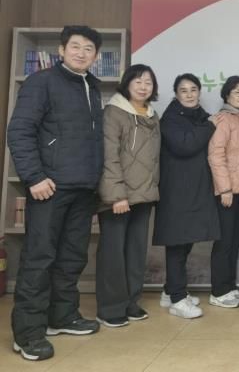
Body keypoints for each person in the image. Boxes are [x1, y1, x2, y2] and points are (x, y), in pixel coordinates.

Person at [8, 25, 104, 361]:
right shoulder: (42, 82)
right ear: (61, 50)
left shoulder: (91, 86)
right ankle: (28, 334)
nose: (81, 52)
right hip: (49, 187)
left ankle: (62, 316)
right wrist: (34, 176)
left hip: (83, 188)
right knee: (39, 258)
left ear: (96, 56)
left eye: (88, 48)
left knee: (72, 258)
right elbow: (20, 131)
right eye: (75, 46)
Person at [96, 64, 161, 328]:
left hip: (143, 195)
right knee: (113, 253)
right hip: (118, 197)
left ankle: (131, 302)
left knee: (135, 253)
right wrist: (116, 196)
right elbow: (108, 156)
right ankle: (110, 308)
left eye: (148, 82)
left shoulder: (152, 115)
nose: (143, 87)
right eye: (138, 81)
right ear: (127, 84)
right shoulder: (114, 112)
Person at [153, 74, 221, 319]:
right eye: (184, 90)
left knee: (186, 241)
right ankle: (178, 299)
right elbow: (185, 145)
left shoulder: (200, 116)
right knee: (177, 244)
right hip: (176, 191)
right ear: (176, 94)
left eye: (194, 89)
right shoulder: (171, 118)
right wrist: (210, 126)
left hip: (195, 189)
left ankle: (169, 291)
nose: (190, 94)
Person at [207, 75, 239, 309]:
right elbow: (215, 155)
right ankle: (218, 291)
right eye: (237, 92)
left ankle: (230, 286)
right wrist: (224, 188)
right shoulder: (224, 120)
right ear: (227, 95)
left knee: (235, 241)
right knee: (224, 242)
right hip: (228, 191)